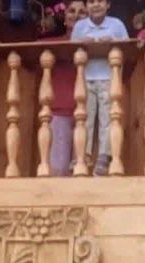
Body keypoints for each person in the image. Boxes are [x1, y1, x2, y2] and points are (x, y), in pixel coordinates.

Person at [70, 0, 128, 176]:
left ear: (108, 4)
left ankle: (104, 156)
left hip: (109, 78)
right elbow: (70, 51)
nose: (96, 5)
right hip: (85, 79)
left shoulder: (116, 24)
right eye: (91, 1)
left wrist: (113, 42)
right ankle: (83, 155)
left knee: (107, 119)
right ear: (87, 6)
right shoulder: (80, 26)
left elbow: (129, 48)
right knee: (84, 118)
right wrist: (82, 43)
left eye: (100, 1)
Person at [50, 0, 86, 175]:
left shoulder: (97, 43)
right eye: (72, 11)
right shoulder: (52, 44)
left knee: (84, 171)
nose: (76, 15)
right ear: (64, 17)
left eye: (82, 12)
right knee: (58, 170)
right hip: (59, 111)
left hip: (88, 113)